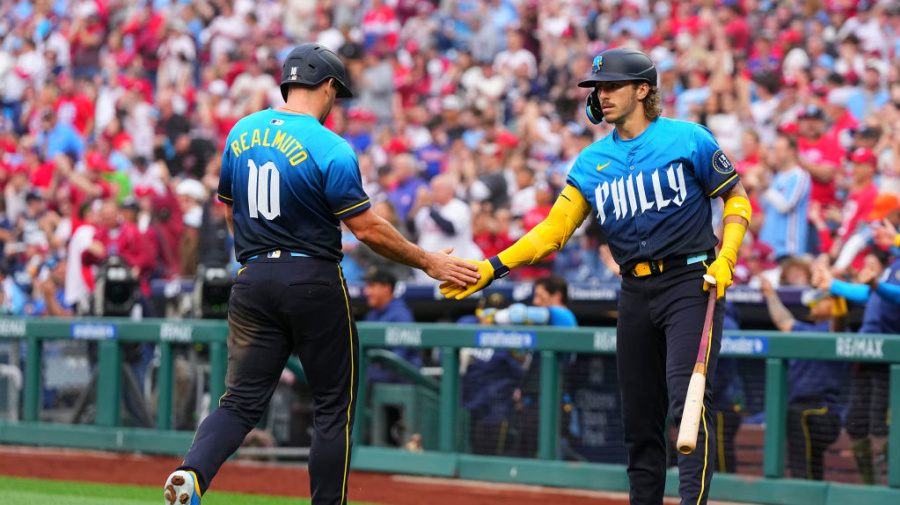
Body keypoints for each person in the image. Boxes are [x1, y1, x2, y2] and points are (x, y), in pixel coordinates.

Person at [164, 43, 479, 505]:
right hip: (312, 279)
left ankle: (192, 474)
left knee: (238, 403)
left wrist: (259, 253)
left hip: (251, 279)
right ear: (328, 85)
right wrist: (429, 261)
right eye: (338, 93)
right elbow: (366, 227)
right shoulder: (330, 146)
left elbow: (229, 213)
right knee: (333, 408)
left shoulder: (241, 132)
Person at [441, 47, 752, 505]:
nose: (601, 96)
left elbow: (738, 199)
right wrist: (492, 267)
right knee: (640, 419)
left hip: (693, 282)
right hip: (634, 289)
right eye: (598, 88)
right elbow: (553, 231)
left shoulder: (690, 139)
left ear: (643, 90)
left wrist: (726, 257)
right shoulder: (590, 161)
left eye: (611, 87)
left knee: (688, 405)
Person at [812, 250, 900, 485]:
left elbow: (889, 293)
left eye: (873, 264)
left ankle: (892, 488)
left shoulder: (888, 279)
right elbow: (867, 293)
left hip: (890, 360)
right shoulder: (879, 286)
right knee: (856, 423)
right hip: (866, 357)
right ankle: (871, 488)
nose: (867, 268)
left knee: (883, 427)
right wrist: (834, 285)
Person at [760, 274, 847, 480]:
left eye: (822, 299)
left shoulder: (835, 329)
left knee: (799, 418)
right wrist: (771, 295)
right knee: (810, 465)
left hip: (822, 410)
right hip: (799, 407)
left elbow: (840, 320)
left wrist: (836, 292)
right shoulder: (806, 329)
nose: (815, 303)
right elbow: (783, 321)